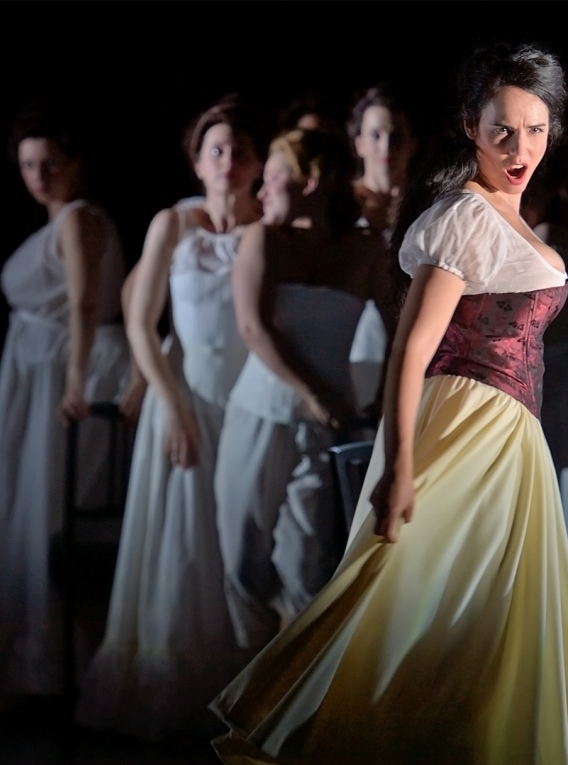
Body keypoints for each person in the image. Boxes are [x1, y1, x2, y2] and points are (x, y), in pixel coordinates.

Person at [210, 44, 568, 764]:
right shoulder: (464, 216)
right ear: (471, 127)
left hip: (516, 446)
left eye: (536, 129)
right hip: (463, 434)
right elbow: (413, 349)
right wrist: (398, 466)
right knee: (422, 612)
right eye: (504, 129)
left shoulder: (514, 220)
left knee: (499, 629)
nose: (520, 147)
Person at [0, 103, 131, 711]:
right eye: (28, 165)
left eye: (50, 163)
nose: (38, 175)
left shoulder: (79, 218)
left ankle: (49, 661)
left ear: (74, 165)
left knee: (48, 508)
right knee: (25, 506)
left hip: (70, 364)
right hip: (39, 365)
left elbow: (85, 301)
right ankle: (33, 659)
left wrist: (73, 378)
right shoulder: (64, 218)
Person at [75, 95, 265, 740]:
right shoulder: (174, 225)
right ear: (197, 162)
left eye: (240, 149)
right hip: (184, 398)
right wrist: (173, 406)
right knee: (186, 543)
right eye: (217, 149)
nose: (229, 160)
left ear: (258, 160)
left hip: (247, 401)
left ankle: (251, 692)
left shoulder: (269, 224)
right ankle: (180, 694)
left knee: (242, 540)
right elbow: (137, 318)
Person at [214, 128, 383, 651]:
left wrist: (375, 403)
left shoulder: (363, 250)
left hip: (324, 425)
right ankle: (248, 675)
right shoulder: (264, 240)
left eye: (272, 180)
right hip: (260, 414)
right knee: (243, 556)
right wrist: (313, 392)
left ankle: (292, 695)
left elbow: (399, 335)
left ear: (310, 182)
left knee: (306, 561)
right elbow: (253, 328)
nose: (261, 194)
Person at [347, 85, 417, 242]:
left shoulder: (427, 206)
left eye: (396, 136)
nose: (386, 146)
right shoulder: (340, 202)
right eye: (375, 135)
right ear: (360, 144)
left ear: (412, 145)